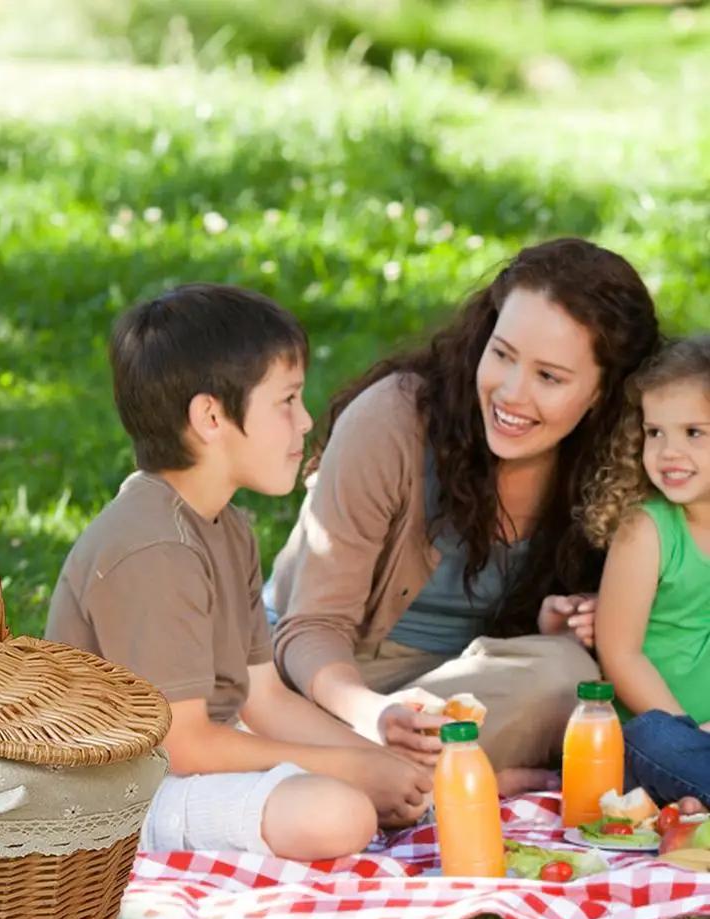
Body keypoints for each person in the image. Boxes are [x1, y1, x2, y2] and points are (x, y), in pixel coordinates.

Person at [46, 283, 433, 861]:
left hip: (186, 762)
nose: (305, 421)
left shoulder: (227, 528)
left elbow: (265, 697)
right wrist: (351, 769)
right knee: (339, 811)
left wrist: (375, 759)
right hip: (114, 793)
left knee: (373, 783)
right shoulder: (154, 548)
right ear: (211, 416)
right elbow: (183, 745)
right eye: (287, 401)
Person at [268, 237, 663, 782]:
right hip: (332, 680)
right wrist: (373, 713)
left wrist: (594, 614)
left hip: (468, 691)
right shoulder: (393, 421)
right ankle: (435, 778)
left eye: (549, 376)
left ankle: (390, 779)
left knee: (569, 674)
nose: (511, 393)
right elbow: (310, 626)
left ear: (604, 392)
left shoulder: (625, 466)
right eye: (502, 355)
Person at [585, 335, 710, 809]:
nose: (668, 451)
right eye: (655, 432)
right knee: (658, 741)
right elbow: (620, 653)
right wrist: (689, 733)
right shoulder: (646, 530)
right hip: (651, 738)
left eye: (693, 432)